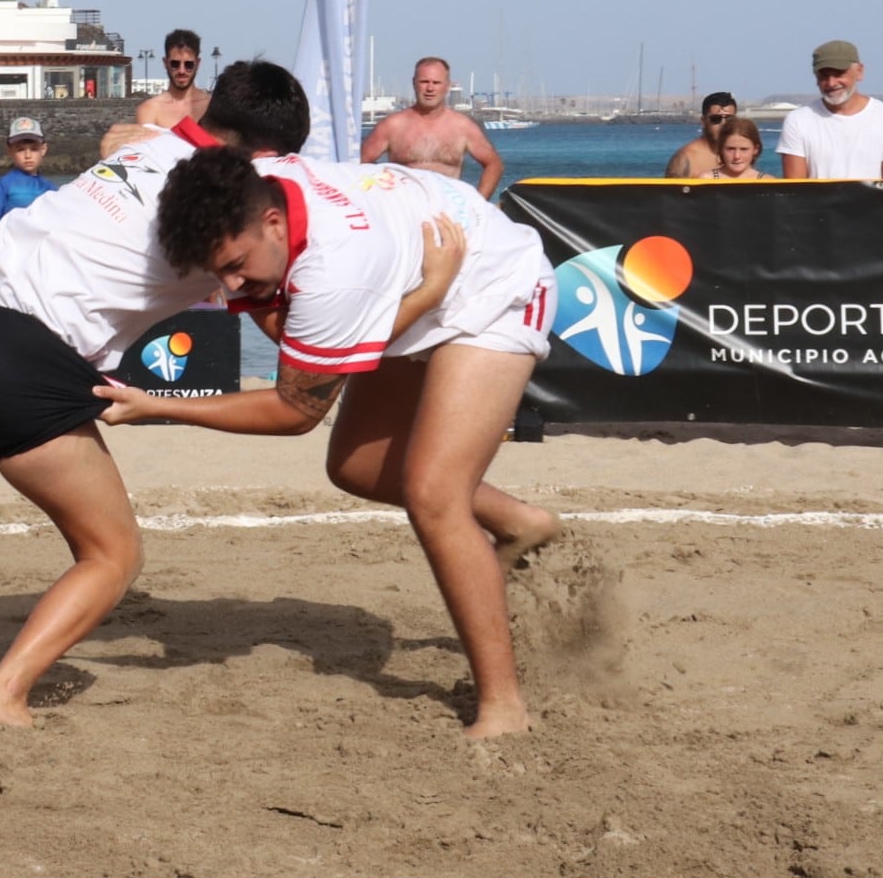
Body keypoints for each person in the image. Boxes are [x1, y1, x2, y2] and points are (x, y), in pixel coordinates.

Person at [0, 61, 370, 726]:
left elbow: (119, 140)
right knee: (113, 553)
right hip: (21, 357)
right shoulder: (224, 206)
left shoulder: (147, 144)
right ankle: (5, 692)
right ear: (268, 157)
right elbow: (286, 330)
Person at [107, 146, 558, 738]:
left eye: (237, 264)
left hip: (492, 285)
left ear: (273, 223)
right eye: (219, 271)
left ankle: (504, 706)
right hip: (415, 278)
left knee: (434, 495)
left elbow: (295, 410)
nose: (230, 283)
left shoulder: (335, 265)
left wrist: (155, 404)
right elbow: (285, 327)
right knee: (357, 467)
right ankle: (522, 523)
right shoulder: (254, 190)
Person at [360, 55, 504, 199]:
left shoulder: (463, 127)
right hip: (404, 209)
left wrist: (477, 204)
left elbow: (494, 165)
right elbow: (359, 163)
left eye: (436, 82)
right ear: (414, 83)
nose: (430, 88)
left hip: (447, 212)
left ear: (447, 86)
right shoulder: (393, 126)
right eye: (424, 82)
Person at [778, 40, 883, 181]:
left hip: (873, 203)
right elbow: (796, 188)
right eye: (824, 75)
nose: (831, 83)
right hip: (816, 204)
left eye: (839, 74)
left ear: (859, 72)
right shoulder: (798, 120)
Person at [0, 117, 54, 232]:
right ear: (10, 151)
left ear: (43, 149)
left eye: (34, 149)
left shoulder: (50, 189)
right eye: (20, 149)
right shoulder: (3, 185)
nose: (28, 155)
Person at [132, 27, 209, 129]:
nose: (182, 70)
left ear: (198, 63)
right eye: (175, 64)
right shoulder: (150, 110)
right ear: (165, 63)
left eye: (188, 64)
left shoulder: (212, 107)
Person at [665, 92, 738, 178]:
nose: (723, 124)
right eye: (715, 119)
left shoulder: (740, 156)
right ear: (703, 121)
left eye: (729, 119)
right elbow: (670, 191)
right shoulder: (686, 159)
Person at [711, 118, 776, 180]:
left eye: (744, 149)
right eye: (730, 149)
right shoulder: (708, 180)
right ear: (721, 149)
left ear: (755, 149)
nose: (737, 156)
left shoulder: (767, 181)